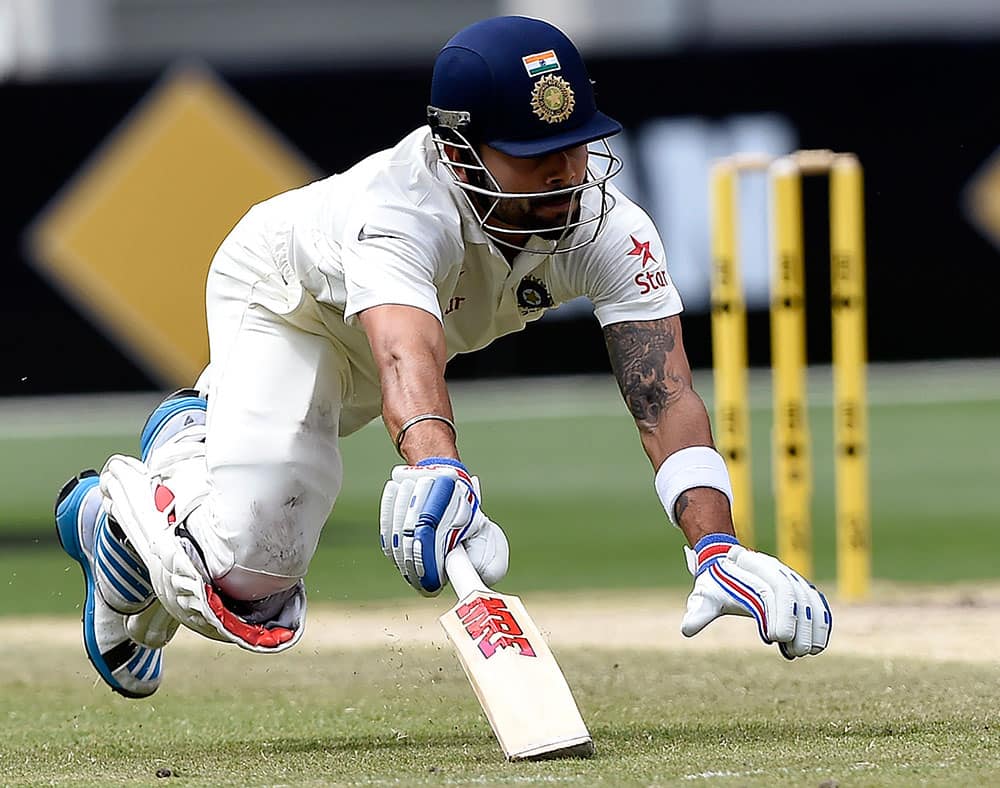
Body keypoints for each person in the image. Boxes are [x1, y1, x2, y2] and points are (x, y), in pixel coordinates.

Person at [55, 15, 831, 699]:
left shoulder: (607, 226)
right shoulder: (397, 210)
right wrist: (438, 469)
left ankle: (141, 513)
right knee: (254, 581)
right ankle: (137, 485)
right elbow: (404, 356)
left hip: (398, 341)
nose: (566, 177)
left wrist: (716, 545)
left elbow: (662, 397)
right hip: (290, 305)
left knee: (239, 590)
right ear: (459, 153)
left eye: (575, 146)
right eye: (536, 156)